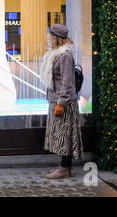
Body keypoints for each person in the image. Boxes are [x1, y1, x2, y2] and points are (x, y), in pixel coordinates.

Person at [40, 24, 83, 179]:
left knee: (64, 136)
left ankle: (64, 169)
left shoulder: (65, 56)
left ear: (56, 38)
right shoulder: (55, 54)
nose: (48, 38)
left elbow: (67, 82)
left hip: (63, 102)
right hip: (57, 99)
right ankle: (66, 168)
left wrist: (61, 103)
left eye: (50, 36)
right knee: (62, 135)